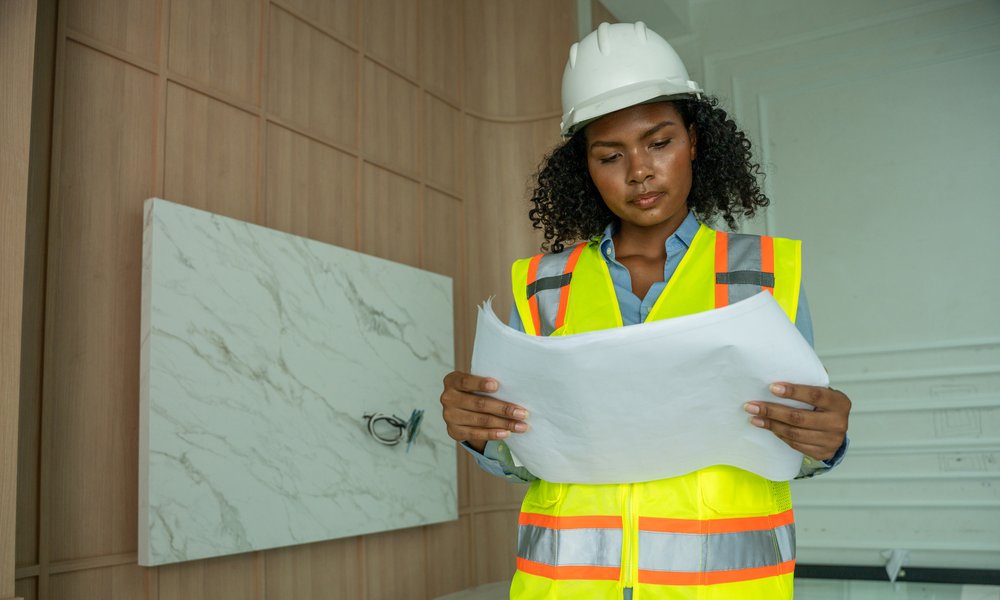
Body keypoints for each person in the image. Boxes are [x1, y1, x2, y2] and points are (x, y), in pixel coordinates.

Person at [440, 22, 851, 600]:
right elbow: (527, 452)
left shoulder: (764, 275)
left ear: (695, 142)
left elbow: (796, 440)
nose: (638, 171)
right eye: (610, 155)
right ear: (585, 168)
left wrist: (826, 442)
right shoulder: (540, 285)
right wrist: (481, 433)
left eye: (659, 143)